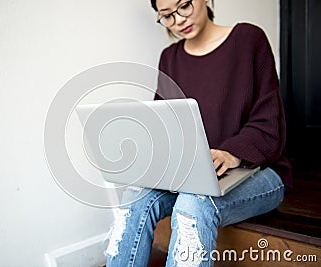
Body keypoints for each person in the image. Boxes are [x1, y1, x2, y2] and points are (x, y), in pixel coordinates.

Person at [105, 0, 293, 266]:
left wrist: (231, 153)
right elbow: (164, 126)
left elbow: (269, 124)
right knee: (134, 198)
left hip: (258, 170)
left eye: (184, 6)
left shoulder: (249, 39)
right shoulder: (170, 58)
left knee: (195, 203)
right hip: (192, 175)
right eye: (167, 16)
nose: (179, 20)